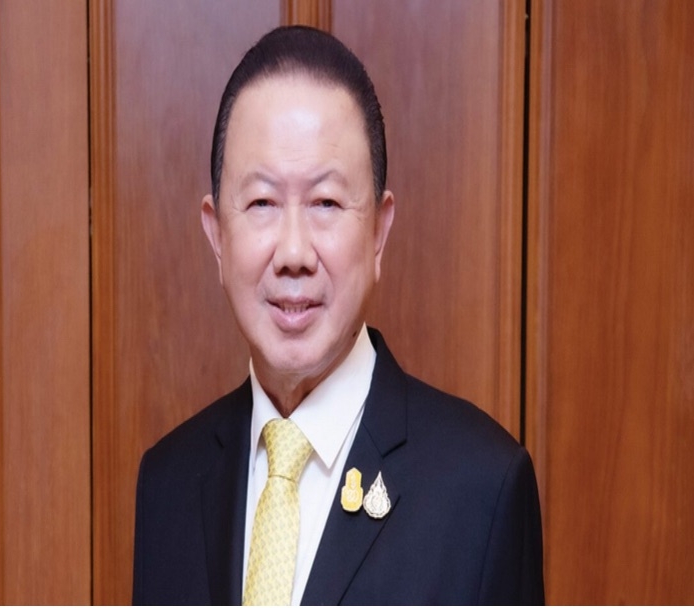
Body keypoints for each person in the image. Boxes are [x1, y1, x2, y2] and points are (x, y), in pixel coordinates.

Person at [132, 25, 544, 605]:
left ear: (378, 232)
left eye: (325, 202)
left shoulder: (482, 489)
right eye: (261, 203)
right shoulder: (168, 481)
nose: (294, 252)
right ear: (216, 234)